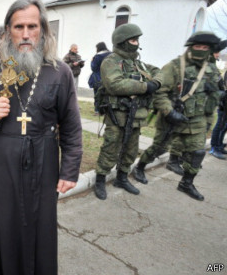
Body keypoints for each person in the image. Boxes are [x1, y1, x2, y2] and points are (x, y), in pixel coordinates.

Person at [0, 0, 82, 275]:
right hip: (2, 159)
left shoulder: (60, 72)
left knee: (40, 223)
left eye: (32, 26)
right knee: (4, 219)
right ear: (8, 30)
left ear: (42, 30)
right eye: (18, 27)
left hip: (43, 158)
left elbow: (71, 125)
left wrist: (69, 169)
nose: (25, 34)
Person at [152, 31, 222, 201]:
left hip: (199, 118)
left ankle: (187, 182)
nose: (201, 50)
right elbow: (159, 91)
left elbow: (216, 91)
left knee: (198, 152)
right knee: (158, 147)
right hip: (177, 115)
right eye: (198, 46)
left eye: (205, 47)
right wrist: (169, 111)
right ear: (191, 47)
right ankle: (142, 167)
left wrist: (216, 96)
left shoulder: (211, 68)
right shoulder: (176, 66)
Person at [93, 23, 160, 200]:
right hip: (117, 115)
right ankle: (100, 179)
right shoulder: (111, 61)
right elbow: (115, 84)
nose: (136, 43)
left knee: (131, 149)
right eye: (133, 40)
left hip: (136, 115)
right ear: (122, 42)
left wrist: (157, 82)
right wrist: (146, 86)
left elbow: (159, 72)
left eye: (137, 40)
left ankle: (122, 178)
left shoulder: (138, 64)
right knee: (110, 148)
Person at [209, 41, 227, 159]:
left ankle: (219, 145)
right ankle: (214, 147)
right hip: (223, 103)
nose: (218, 55)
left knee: (224, 126)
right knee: (220, 125)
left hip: (224, 100)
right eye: (216, 53)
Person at [88, 42, 111, 115]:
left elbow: (94, 68)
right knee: (107, 95)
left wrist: (92, 61)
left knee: (97, 94)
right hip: (109, 77)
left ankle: (97, 111)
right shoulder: (111, 54)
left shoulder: (97, 56)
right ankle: (105, 111)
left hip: (98, 78)